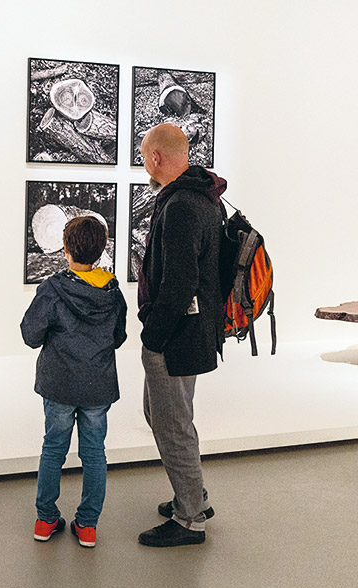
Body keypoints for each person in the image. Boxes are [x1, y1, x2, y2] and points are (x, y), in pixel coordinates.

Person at [136, 123, 226, 547]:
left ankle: (190, 519)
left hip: (177, 337)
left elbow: (180, 283)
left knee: (172, 425)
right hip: (192, 331)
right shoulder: (201, 197)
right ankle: (194, 495)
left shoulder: (182, 206)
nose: (144, 164)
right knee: (166, 417)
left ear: (156, 157)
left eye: (143, 156)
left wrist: (154, 336)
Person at [20, 216, 127, 548]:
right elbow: (118, 337)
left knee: (53, 449)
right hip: (98, 384)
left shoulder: (53, 289)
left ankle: (45, 519)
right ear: (101, 250)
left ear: (65, 249)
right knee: (94, 453)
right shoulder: (113, 292)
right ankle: (88, 525)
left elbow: (30, 334)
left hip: (59, 383)